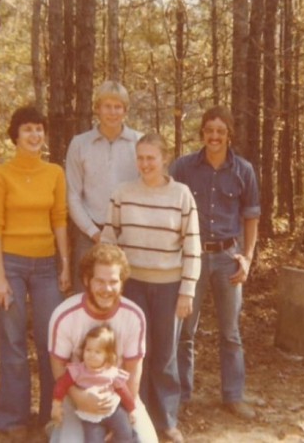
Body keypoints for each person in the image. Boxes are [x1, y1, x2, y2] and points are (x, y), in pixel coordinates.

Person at [101, 133, 201, 443]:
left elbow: (193, 246)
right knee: (132, 353)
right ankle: (134, 414)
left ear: (164, 159)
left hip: (169, 285)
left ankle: (167, 419)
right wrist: (109, 285)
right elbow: (108, 239)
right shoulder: (123, 193)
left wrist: (187, 291)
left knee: (165, 353)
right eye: (141, 158)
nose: (145, 164)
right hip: (132, 287)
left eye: (151, 158)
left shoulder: (182, 195)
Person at [169, 105, 261, 419]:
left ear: (229, 135)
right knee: (184, 331)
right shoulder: (182, 167)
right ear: (202, 133)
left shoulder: (243, 170)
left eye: (221, 131)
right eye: (209, 130)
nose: (215, 136)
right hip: (192, 257)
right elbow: (170, 208)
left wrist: (247, 259)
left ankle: (233, 396)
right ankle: (181, 397)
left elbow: (251, 218)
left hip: (226, 257)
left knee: (230, 332)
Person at [0, 106, 70, 437]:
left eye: (39, 129)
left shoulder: (55, 173)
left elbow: (59, 219)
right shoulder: (0, 175)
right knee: (13, 341)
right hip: (12, 265)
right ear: (15, 136)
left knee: (53, 343)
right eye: (28, 130)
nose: (35, 135)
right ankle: (13, 417)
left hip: (47, 266)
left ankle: (54, 414)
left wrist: (64, 264)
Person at [48, 243, 158, 443]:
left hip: (119, 399)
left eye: (113, 282)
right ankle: (58, 431)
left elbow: (133, 373)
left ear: (122, 283)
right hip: (77, 398)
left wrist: (120, 422)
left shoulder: (134, 316)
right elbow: (58, 370)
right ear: (86, 280)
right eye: (99, 281)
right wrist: (79, 398)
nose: (107, 289)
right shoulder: (64, 315)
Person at [65, 80, 141, 293]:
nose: (112, 112)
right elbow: (73, 195)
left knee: (124, 297)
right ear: (97, 108)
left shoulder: (138, 142)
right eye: (107, 106)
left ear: (125, 110)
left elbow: (146, 191)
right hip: (89, 234)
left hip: (127, 235)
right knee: (86, 297)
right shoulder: (80, 144)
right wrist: (94, 233)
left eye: (118, 107)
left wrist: (126, 233)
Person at [51, 324, 138, 443]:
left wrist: (132, 409)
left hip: (114, 411)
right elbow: (62, 384)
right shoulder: (78, 371)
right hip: (90, 415)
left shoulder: (111, 372)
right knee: (92, 440)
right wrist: (57, 404)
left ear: (107, 355)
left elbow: (123, 391)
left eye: (98, 352)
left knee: (125, 433)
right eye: (88, 350)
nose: (91, 355)